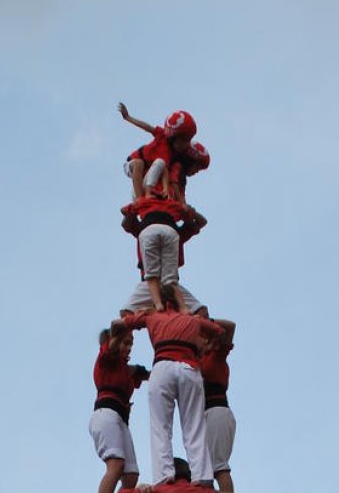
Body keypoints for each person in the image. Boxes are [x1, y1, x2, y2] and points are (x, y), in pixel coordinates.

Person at [113, 285, 225, 487]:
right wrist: (204, 345)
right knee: (194, 426)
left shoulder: (152, 317)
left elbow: (118, 323)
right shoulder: (192, 319)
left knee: (160, 427)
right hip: (189, 367)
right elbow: (218, 331)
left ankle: (164, 476)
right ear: (179, 299)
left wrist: (143, 315)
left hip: (162, 366)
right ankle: (202, 476)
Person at [120, 201, 208, 317]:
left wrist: (189, 212)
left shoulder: (173, 233)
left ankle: (186, 329)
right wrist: (133, 209)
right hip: (156, 283)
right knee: (126, 313)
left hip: (169, 285)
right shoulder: (147, 229)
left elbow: (200, 222)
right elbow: (126, 224)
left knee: (201, 312)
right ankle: (155, 316)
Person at [90, 327, 151, 493]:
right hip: (106, 413)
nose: (129, 347)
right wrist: (128, 325)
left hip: (121, 420)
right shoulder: (106, 360)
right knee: (115, 465)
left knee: (131, 476)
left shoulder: (126, 369)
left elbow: (151, 375)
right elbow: (111, 347)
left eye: (131, 343)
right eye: (125, 343)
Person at [118, 103, 197, 200]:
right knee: (139, 163)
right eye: (183, 141)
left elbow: (166, 172)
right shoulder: (162, 135)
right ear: (173, 137)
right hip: (132, 166)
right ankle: (139, 200)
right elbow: (147, 127)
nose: (185, 145)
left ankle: (145, 195)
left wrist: (166, 190)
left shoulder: (173, 156)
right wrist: (128, 117)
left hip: (145, 180)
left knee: (160, 163)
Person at [201, 319, 237, 492]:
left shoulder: (216, 354)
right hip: (206, 415)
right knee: (203, 469)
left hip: (217, 411)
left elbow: (230, 327)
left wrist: (204, 321)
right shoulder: (193, 359)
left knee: (218, 466)